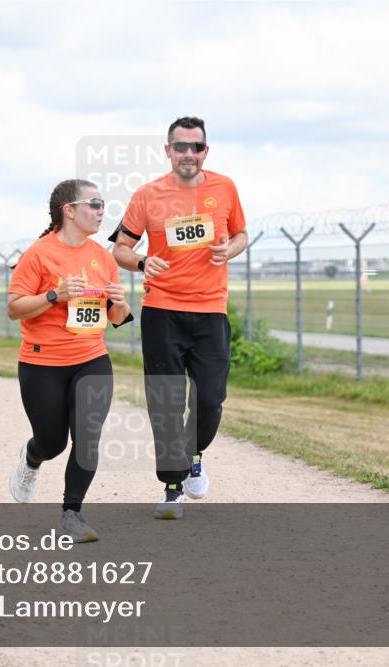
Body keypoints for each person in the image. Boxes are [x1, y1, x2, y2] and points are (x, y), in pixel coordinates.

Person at [109, 116, 248, 520]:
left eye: (197, 147)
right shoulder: (147, 195)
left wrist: (231, 250)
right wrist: (140, 262)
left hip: (210, 311)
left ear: (206, 151)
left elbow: (241, 234)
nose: (189, 154)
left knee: (210, 399)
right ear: (167, 150)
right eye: (181, 146)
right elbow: (120, 247)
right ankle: (172, 487)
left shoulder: (225, 188)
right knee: (166, 402)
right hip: (162, 311)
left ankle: (194, 454)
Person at [7, 179, 132, 543]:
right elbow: (14, 308)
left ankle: (71, 513)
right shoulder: (39, 255)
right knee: (52, 443)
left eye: (102, 203)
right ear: (70, 210)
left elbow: (116, 318)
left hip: (91, 358)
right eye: (94, 203)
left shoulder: (102, 256)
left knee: (88, 438)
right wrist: (54, 294)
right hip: (42, 363)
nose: (101, 210)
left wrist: (121, 304)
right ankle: (32, 457)